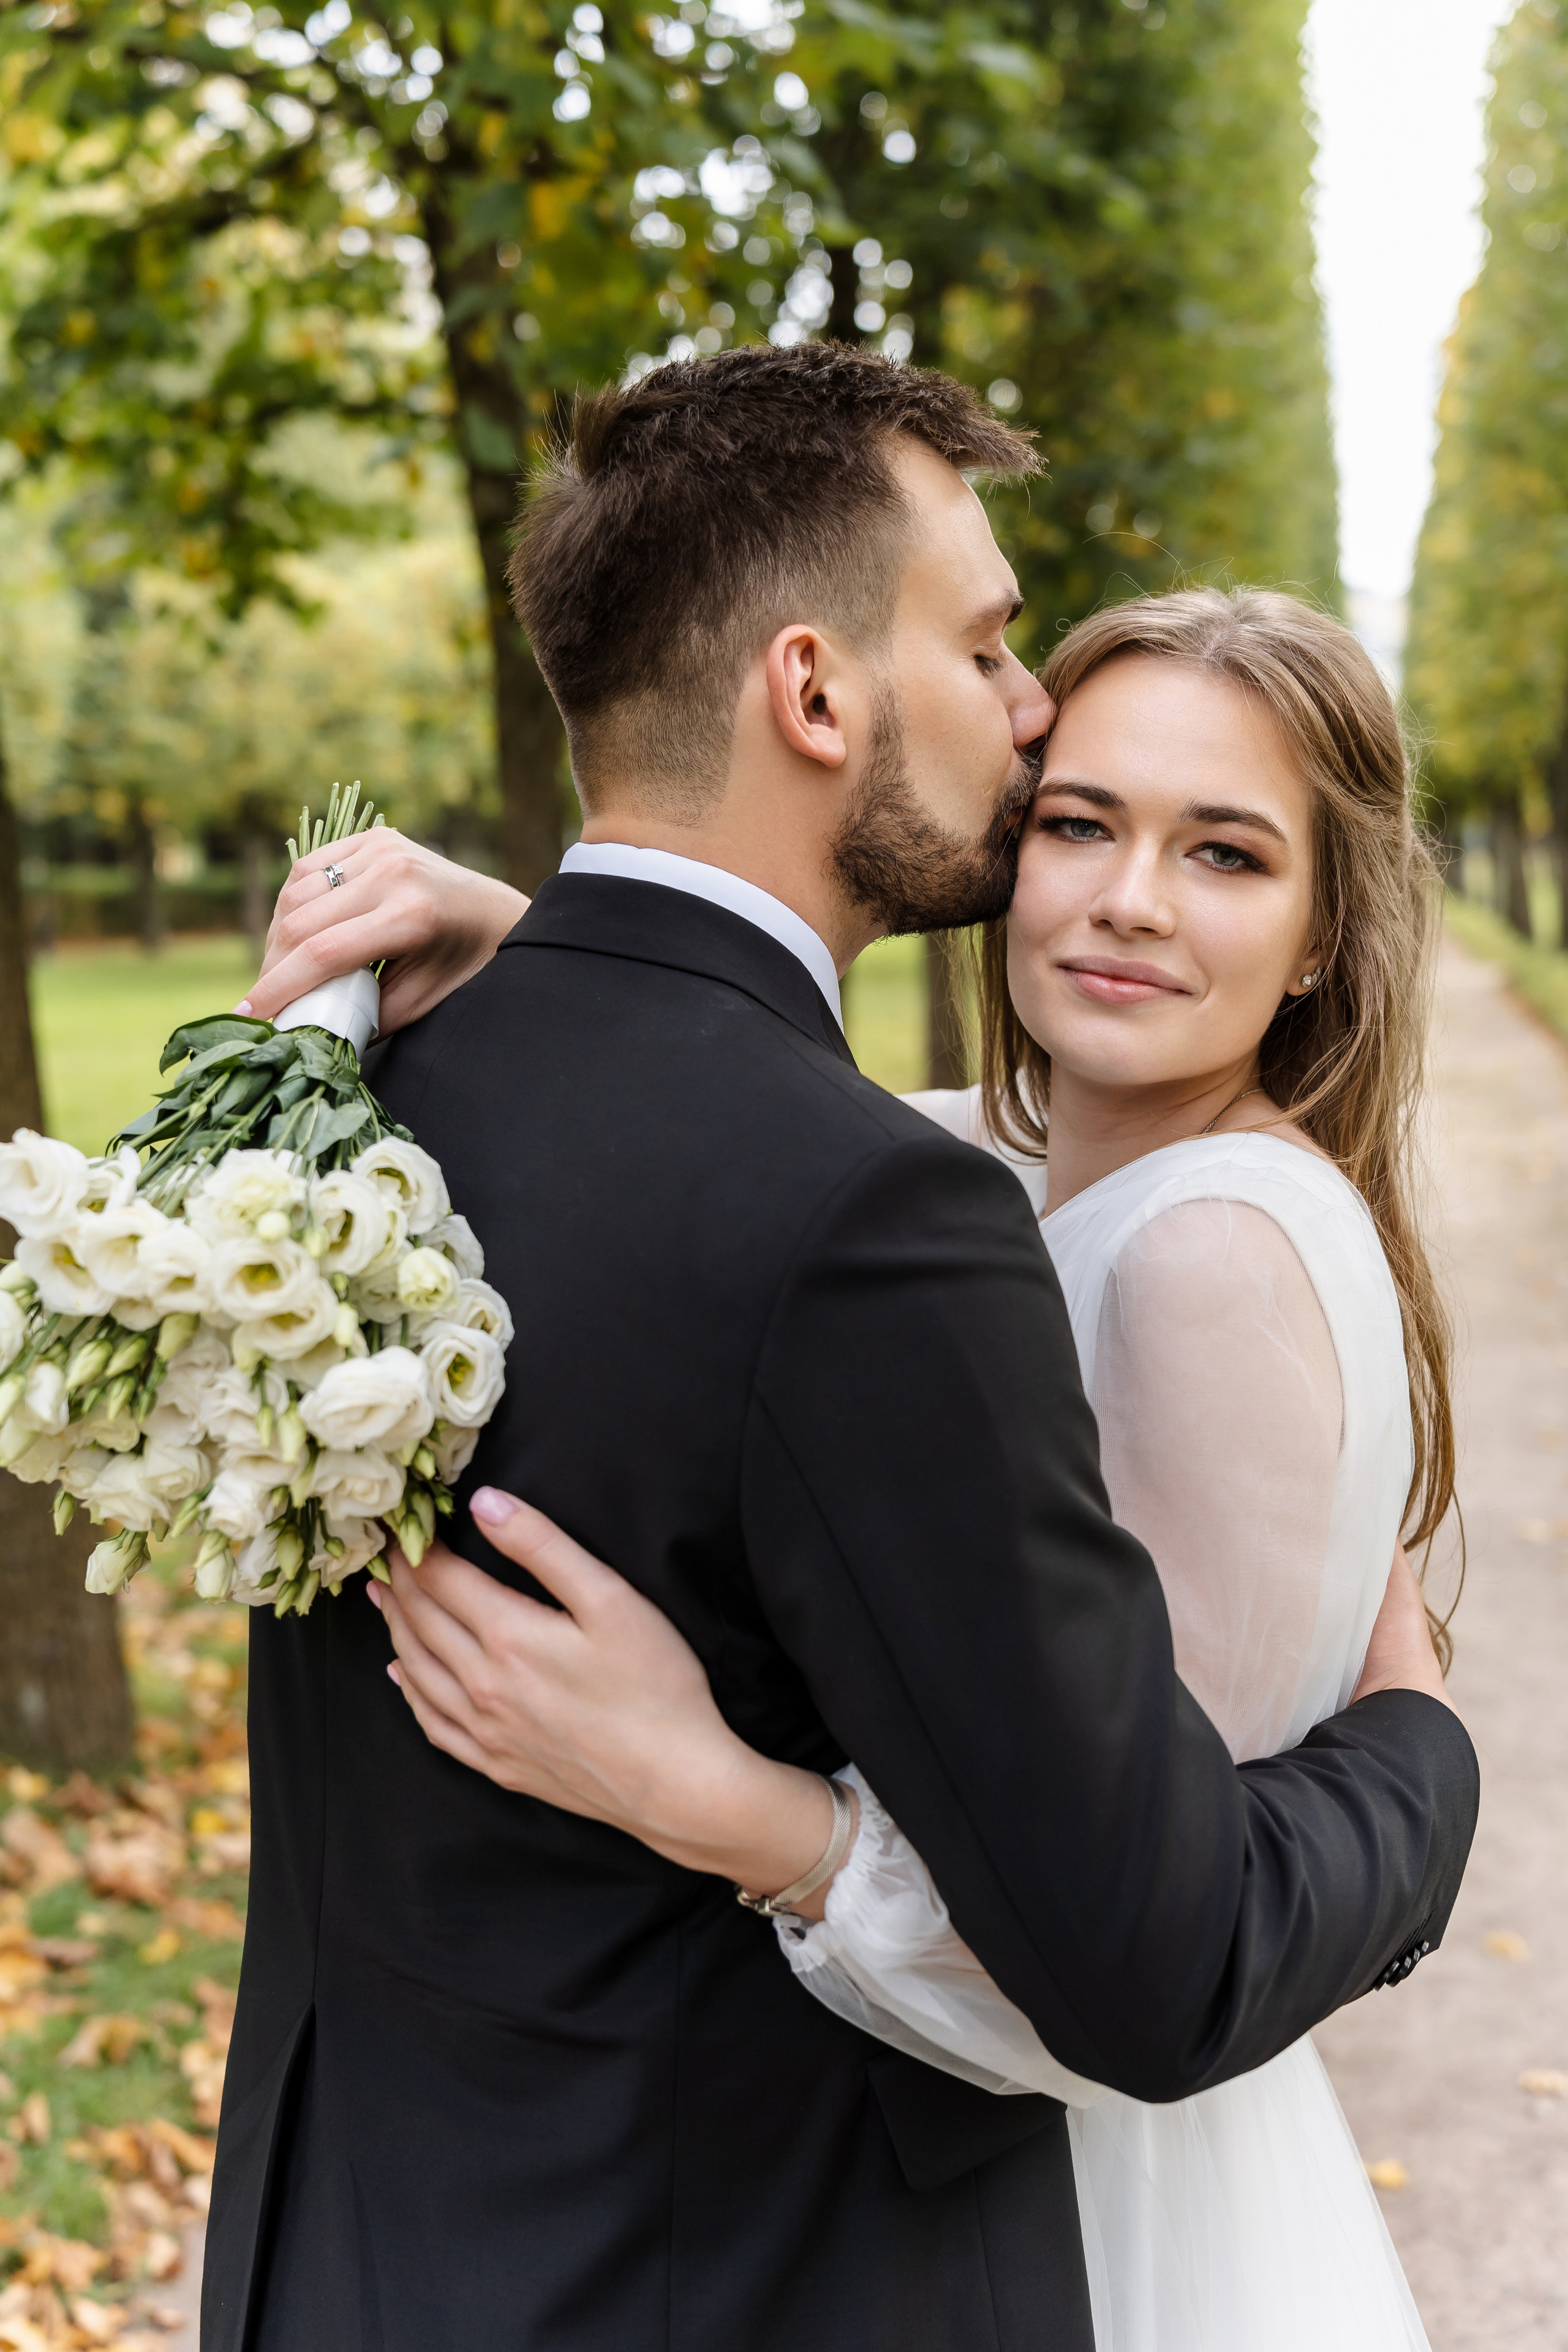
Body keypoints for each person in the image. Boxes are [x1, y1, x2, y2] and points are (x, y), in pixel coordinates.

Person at [214, 347, 1477, 2352]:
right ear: (814, 693)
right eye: (990, 650)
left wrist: (532, 930)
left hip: (344, 2250)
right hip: (728, 2274)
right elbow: (1157, 1963)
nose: (1028, 700)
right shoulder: (888, 1216)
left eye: (1227, 850)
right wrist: (1422, 1756)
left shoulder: (376, 1088)